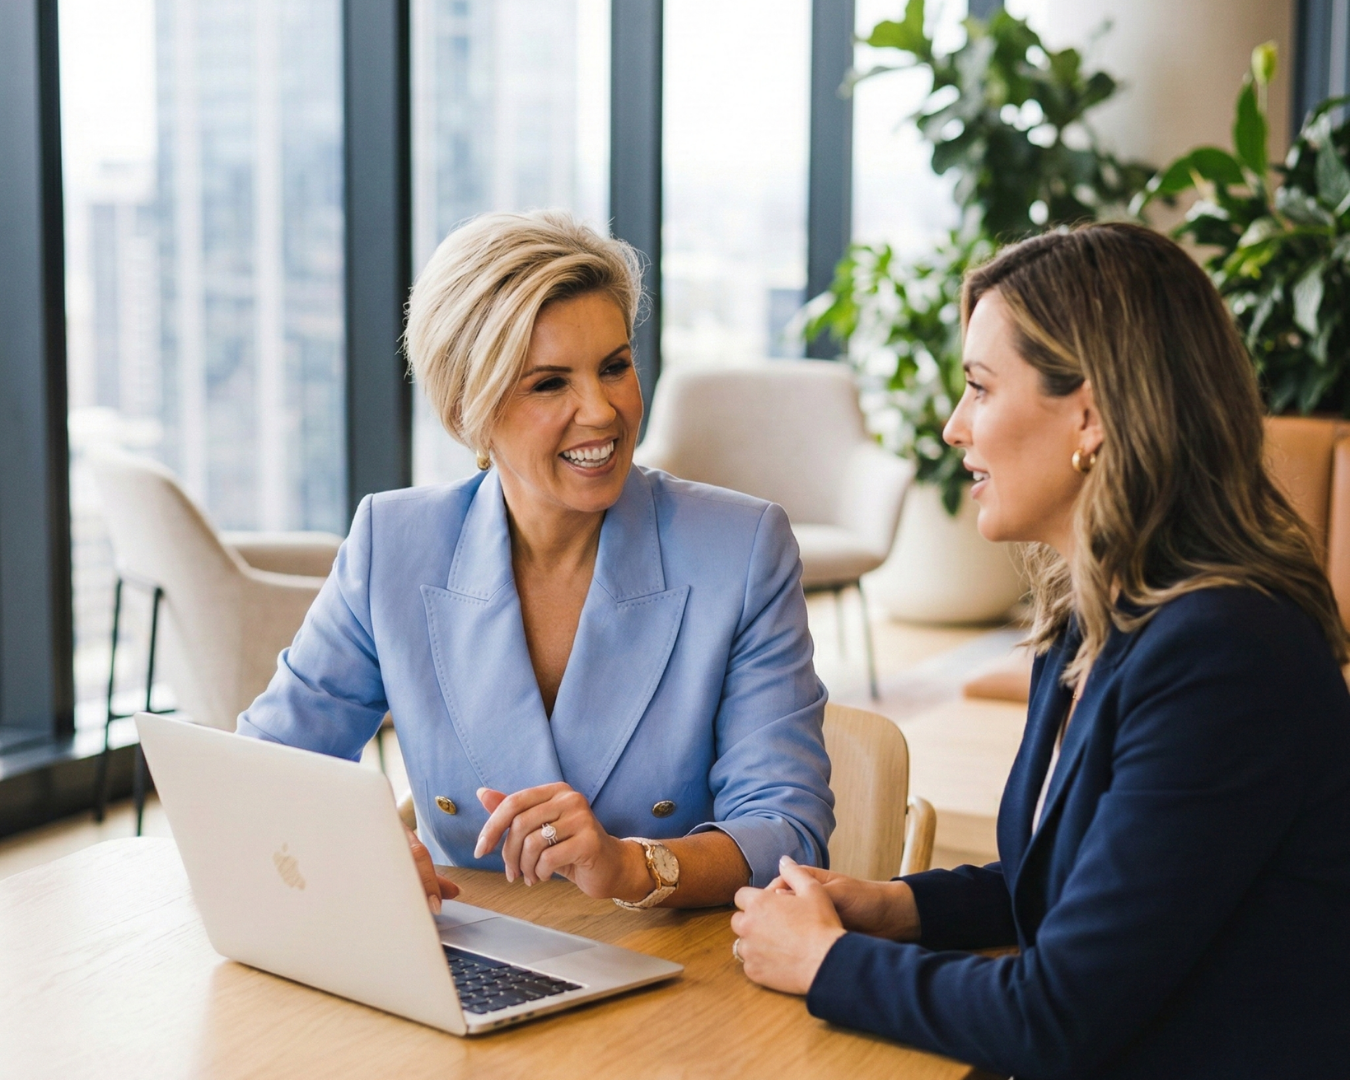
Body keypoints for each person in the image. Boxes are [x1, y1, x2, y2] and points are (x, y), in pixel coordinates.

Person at [729, 223, 1350, 1079]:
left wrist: (824, 962)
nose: (953, 428)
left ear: (1088, 417)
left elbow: (1059, 1017)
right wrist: (894, 906)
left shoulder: (1229, 656)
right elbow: (1072, 881)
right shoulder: (1088, 618)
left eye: (980, 389)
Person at [239, 210, 833, 913]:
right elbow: (265, 766)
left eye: (615, 367)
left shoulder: (740, 548)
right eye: (550, 383)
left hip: (675, 969)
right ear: (468, 409)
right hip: (469, 959)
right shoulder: (392, 542)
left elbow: (788, 833)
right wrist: (357, 845)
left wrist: (634, 866)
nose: (603, 411)